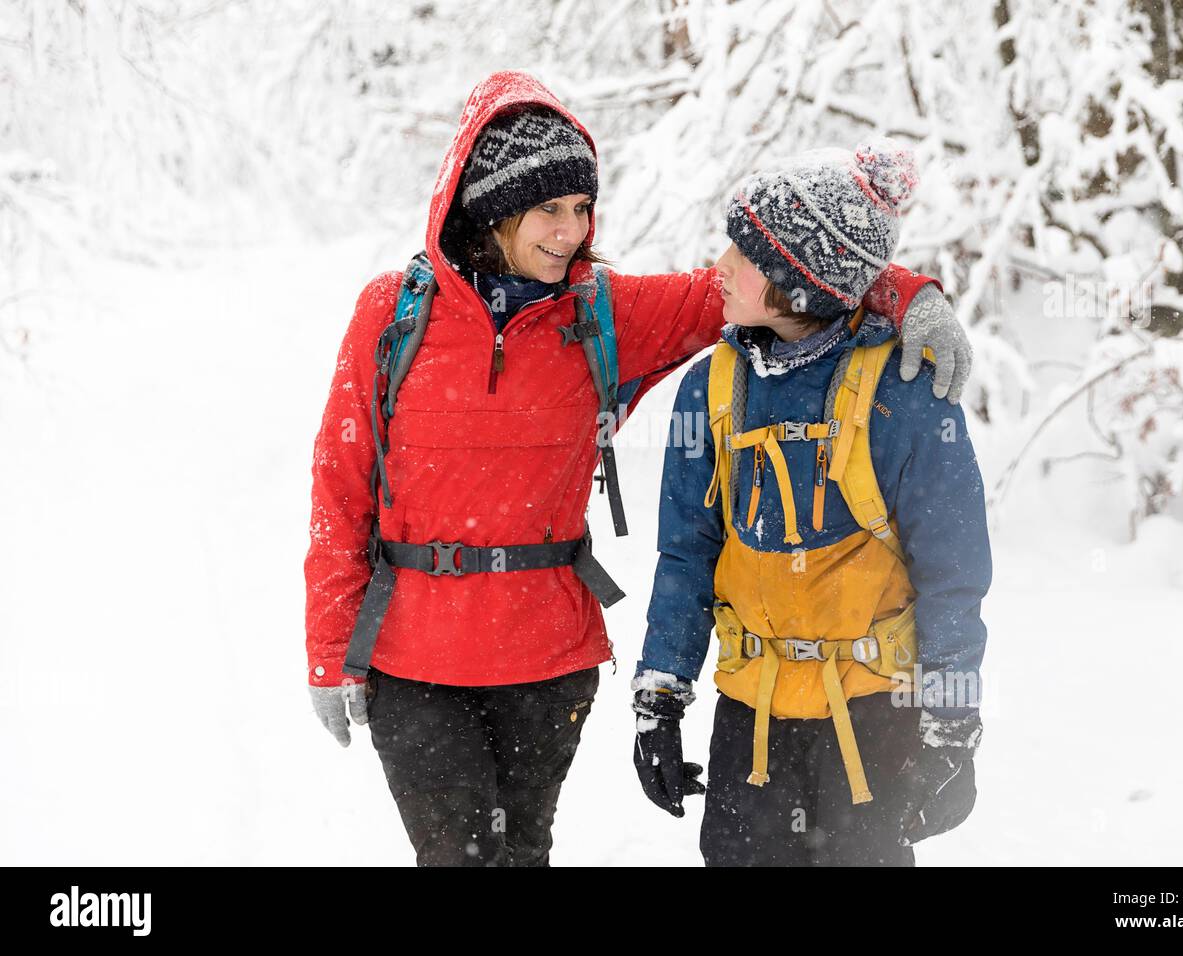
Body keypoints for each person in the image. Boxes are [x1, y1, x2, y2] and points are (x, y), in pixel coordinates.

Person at [305, 70, 972, 867]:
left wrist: (906, 291)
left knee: (520, 853)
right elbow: (340, 486)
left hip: (544, 661)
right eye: (549, 209)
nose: (570, 230)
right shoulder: (392, 314)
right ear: (490, 207)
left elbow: (788, 277)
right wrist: (327, 646)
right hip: (413, 658)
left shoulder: (600, 312)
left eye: (582, 209)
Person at [632, 143, 992, 866]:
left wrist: (952, 724)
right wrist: (660, 696)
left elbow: (953, 577)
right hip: (750, 724)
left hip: (874, 721)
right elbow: (686, 555)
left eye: (745, 254)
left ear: (802, 285)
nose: (721, 268)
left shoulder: (906, 391)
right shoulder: (710, 388)